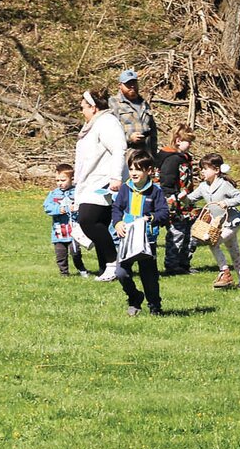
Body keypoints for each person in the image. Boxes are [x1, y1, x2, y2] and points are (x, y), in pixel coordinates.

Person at [74, 89, 127, 280]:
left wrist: (116, 177)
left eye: (83, 108)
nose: (82, 111)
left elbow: (119, 148)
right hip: (91, 180)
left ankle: (114, 263)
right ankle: (106, 267)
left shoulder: (107, 122)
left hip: (104, 180)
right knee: (100, 223)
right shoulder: (93, 125)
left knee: (88, 220)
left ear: (94, 107)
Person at [110, 153, 169, 315]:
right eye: (130, 169)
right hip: (126, 238)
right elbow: (116, 208)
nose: (133, 173)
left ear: (149, 171)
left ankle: (155, 305)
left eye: (138, 169)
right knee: (121, 272)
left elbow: (164, 213)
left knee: (148, 276)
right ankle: (134, 297)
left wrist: (151, 218)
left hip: (146, 241)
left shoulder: (155, 191)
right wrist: (117, 222)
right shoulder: (125, 188)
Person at [193, 152, 240, 289]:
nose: (202, 171)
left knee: (213, 243)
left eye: (205, 168)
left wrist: (227, 202)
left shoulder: (224, 185)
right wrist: (180, 198)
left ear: (216, 170)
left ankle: (225, 272)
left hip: (232, 222)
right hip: (220, 225)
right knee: (234, 251)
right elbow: (191, 198)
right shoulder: (203, 186)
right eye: (202, 168)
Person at [157, 126, 199, 274]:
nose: (191, 145)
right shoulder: (171, 159)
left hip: (186, 202)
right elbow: (166, 182)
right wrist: (172, 198)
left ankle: (184, 264)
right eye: (189, 141)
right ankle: (172, 265)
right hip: (174, 202)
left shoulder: (183, 158)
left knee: (188, 233)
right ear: (178, 140)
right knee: (177, 233)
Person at [44, 163, 87, 277]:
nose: (60, 183)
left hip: (73, 230)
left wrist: (76, 208)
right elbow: (47, 208)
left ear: (71, 179)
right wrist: (60, 209)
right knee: (60, 254)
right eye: (57, 180)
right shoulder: (53, 194)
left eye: (63, 180)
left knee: (75, 252)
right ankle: (64, 272)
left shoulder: (77, 192)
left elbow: (83, 206)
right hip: (59, 231)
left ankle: (81, 269)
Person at [108, 69, 159, 164]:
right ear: (120, 86)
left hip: (145, 156)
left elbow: (153, 132)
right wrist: (129, 138)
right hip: (125, 157)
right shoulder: (113, 103)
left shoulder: (144, 104)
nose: (132, 87)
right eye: (128, 84)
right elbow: (108, 132)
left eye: (134, 83)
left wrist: (154, 156)